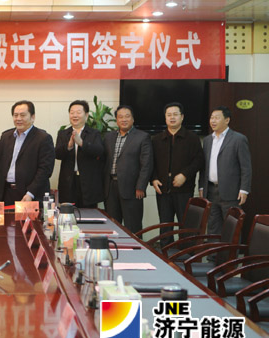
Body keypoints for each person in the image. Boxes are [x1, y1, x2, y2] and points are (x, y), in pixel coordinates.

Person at [0, 100, 55, 205]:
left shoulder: (43, 138)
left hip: (29, 195)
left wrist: (30, 193)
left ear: (33, 117)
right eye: (15, 115)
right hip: (6, 193)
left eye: (22, 115)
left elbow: (45, 170)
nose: (18, 118)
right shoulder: (6, 136)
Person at [151, 102, 204, 246]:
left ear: (182, 117)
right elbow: (151, 162)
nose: (172, 117)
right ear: (165, 118)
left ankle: (185, 255)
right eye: (169, 115)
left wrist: (185, 175)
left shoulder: (192, 138)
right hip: (162, 189)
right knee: (165, 224)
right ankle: (165, 253)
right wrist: (154, 179)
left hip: (184, 189)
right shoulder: (157, 139)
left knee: (185, 225)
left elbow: (199, 161)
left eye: (175, 114)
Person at [199, 106, 252, 236]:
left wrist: (244, 189)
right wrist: (201, 187)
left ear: (227, 120)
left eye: (217, 118)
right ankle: (213, 249)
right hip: (210, 190)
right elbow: (203, 166)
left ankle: (231, 250)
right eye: (211, 118)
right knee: (213, 226)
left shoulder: (238, 139)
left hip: (231, 192)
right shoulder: (207, 140)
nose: (213, 121)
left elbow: (246, 167)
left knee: (231, 227)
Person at [103, 105, 152, 234]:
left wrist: (141, 186)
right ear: (116, 120)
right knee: (113, 225)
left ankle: (135, 247)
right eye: (120, 117)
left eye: (127, 116)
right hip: (110, 187)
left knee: (133, 226)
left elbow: (146, 164)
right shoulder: (108, 137)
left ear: (133, 119)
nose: (124, 119)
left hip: (132, 189)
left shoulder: (142, 137)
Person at [55, 100, 104, 208]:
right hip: (68, 181)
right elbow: (57, 154)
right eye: (72, 112)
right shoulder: (63, 133)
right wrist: (69, 146)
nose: (75, 115)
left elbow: (99, 151)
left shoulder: (94, 133)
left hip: (88, 182)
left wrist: (81, 143)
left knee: (89, 213)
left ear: (86, 115)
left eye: (78, 112)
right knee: (68, 213)